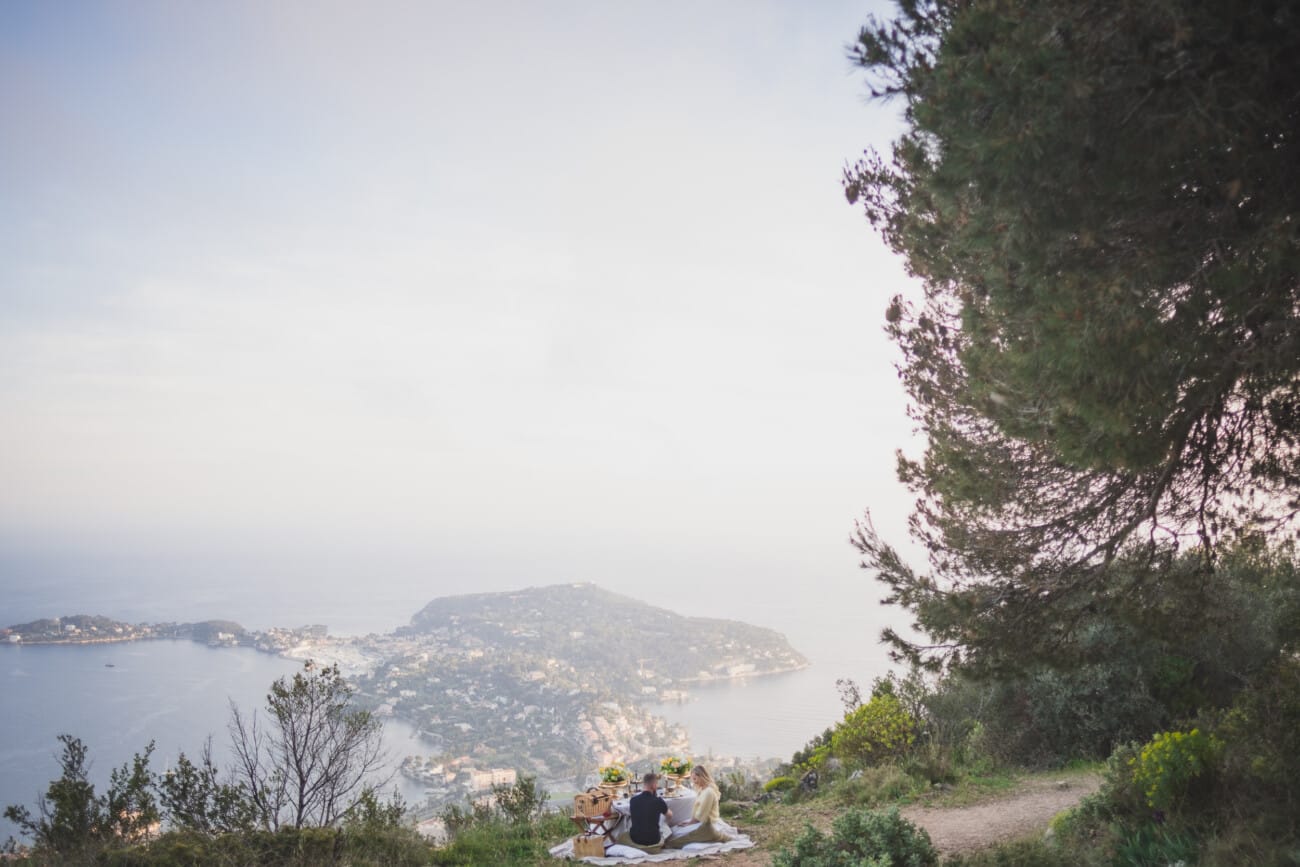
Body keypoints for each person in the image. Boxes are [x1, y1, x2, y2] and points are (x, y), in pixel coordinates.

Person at [665, 764, 731, 848]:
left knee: (675, 840)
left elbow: (701, 814)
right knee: (674, 830)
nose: (694, 781)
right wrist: (689, 821)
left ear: (701, 777)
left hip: (706, 823)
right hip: (699, 821)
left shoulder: (708, 792)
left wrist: (689, 823)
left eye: (695, 779)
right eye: (693, 779)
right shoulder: (702, 789)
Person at [615, 771, 672, 852]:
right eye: (656, 784)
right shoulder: (658, 801)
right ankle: (662, 844)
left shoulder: (633, 800)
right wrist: (665, 822)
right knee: (664, 824)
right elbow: (670, 815)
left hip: (635, 839)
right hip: (654, 839)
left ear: (644, 784)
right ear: (654, 785)